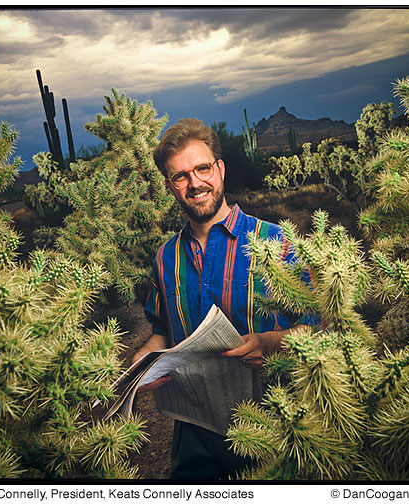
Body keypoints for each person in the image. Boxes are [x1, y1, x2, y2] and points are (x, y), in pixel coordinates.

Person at [132, 118, 319, 480]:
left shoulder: (277, 243)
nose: (195, 183)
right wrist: (142, 362)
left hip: (271, 420)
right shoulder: (164, 258)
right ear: (170, 186)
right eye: (180, 176)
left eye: (202, 168)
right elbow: (161, 331)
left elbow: (319, 328)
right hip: (194, 425)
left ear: (220, 169)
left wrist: (269, 343)